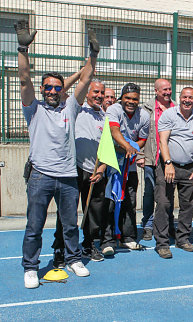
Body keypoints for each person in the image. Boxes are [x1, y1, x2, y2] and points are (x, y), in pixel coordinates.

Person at [16, 20, 98, 288]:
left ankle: (74, 259)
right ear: (42, 90)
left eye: (56, 88)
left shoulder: (70, 109)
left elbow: (85, 79)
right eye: (48, 87)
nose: (52, 91)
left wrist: (93, 54)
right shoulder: (33, 108)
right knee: (34, 226)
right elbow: (25, 78)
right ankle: (31, 267)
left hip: (67, 178)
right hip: (40, 176)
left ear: (62, 91)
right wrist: (22, 48)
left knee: (70, 224)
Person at [52, 79, 109, 263]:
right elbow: (61, 91)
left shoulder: (105, 116)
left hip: (95, 171)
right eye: (95, 92)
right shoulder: (75, 108)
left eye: (102, 93)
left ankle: (89, 244)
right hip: (73, 169)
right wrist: (82, 75)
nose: (99, 96)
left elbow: (108, 148)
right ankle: (60, 248)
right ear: (86, 92)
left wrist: (102, 167)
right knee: (67, 212)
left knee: (93, 212)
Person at [153, 87, 193, 259]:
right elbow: (163, 140)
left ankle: (182, 238)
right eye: (185, 97)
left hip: (190, 167)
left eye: (191, 98)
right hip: (168, 166)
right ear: (180, 98)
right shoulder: (169, 115)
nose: (187, 100)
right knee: (163, 204)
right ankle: (162, 243)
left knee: (188, 205)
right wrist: (168, 163)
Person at [101, 83, 150, 254]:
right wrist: (126, 147)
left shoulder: (144, 115)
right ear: (121, 98)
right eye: (127, 98)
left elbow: (142, 138)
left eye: (134, 99)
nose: (131, 101)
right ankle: (107, 239)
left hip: (130, 165)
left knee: (129, 200)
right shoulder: (114, 109)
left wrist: (133, 147)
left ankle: (128, 237)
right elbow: (114, 130)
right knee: (109, 201)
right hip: (111, 164)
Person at [138, 79, 176, 241]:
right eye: (164, 90)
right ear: (156, 91)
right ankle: (147, 224)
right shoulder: (146, 109)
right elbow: (139, 132)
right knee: (149, 192)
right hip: (150, 157)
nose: (168, 92)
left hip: (170, 160)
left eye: (169, 89)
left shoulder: (176, 108)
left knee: (168, 194)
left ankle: (168, 223)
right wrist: (139, 155)